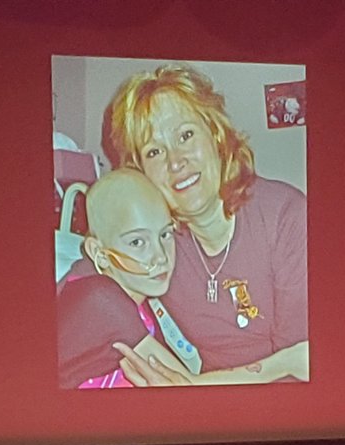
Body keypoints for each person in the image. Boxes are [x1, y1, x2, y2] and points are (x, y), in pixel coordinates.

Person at [101, 63, 309, 386]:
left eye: (185, 135)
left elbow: (306, 363)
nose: (175, 161)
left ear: (215, 134)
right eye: (154, 151)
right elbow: (99, 294)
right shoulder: (158, 247)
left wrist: (195, 388)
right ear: (139, 172)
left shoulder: (287, 217)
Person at [56, 168, 194, 388]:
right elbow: (191, 389)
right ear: (100, 254)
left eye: (165, 234)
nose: (160, 256)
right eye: (137, 242)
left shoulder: (140, 301)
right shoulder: (100, 299)